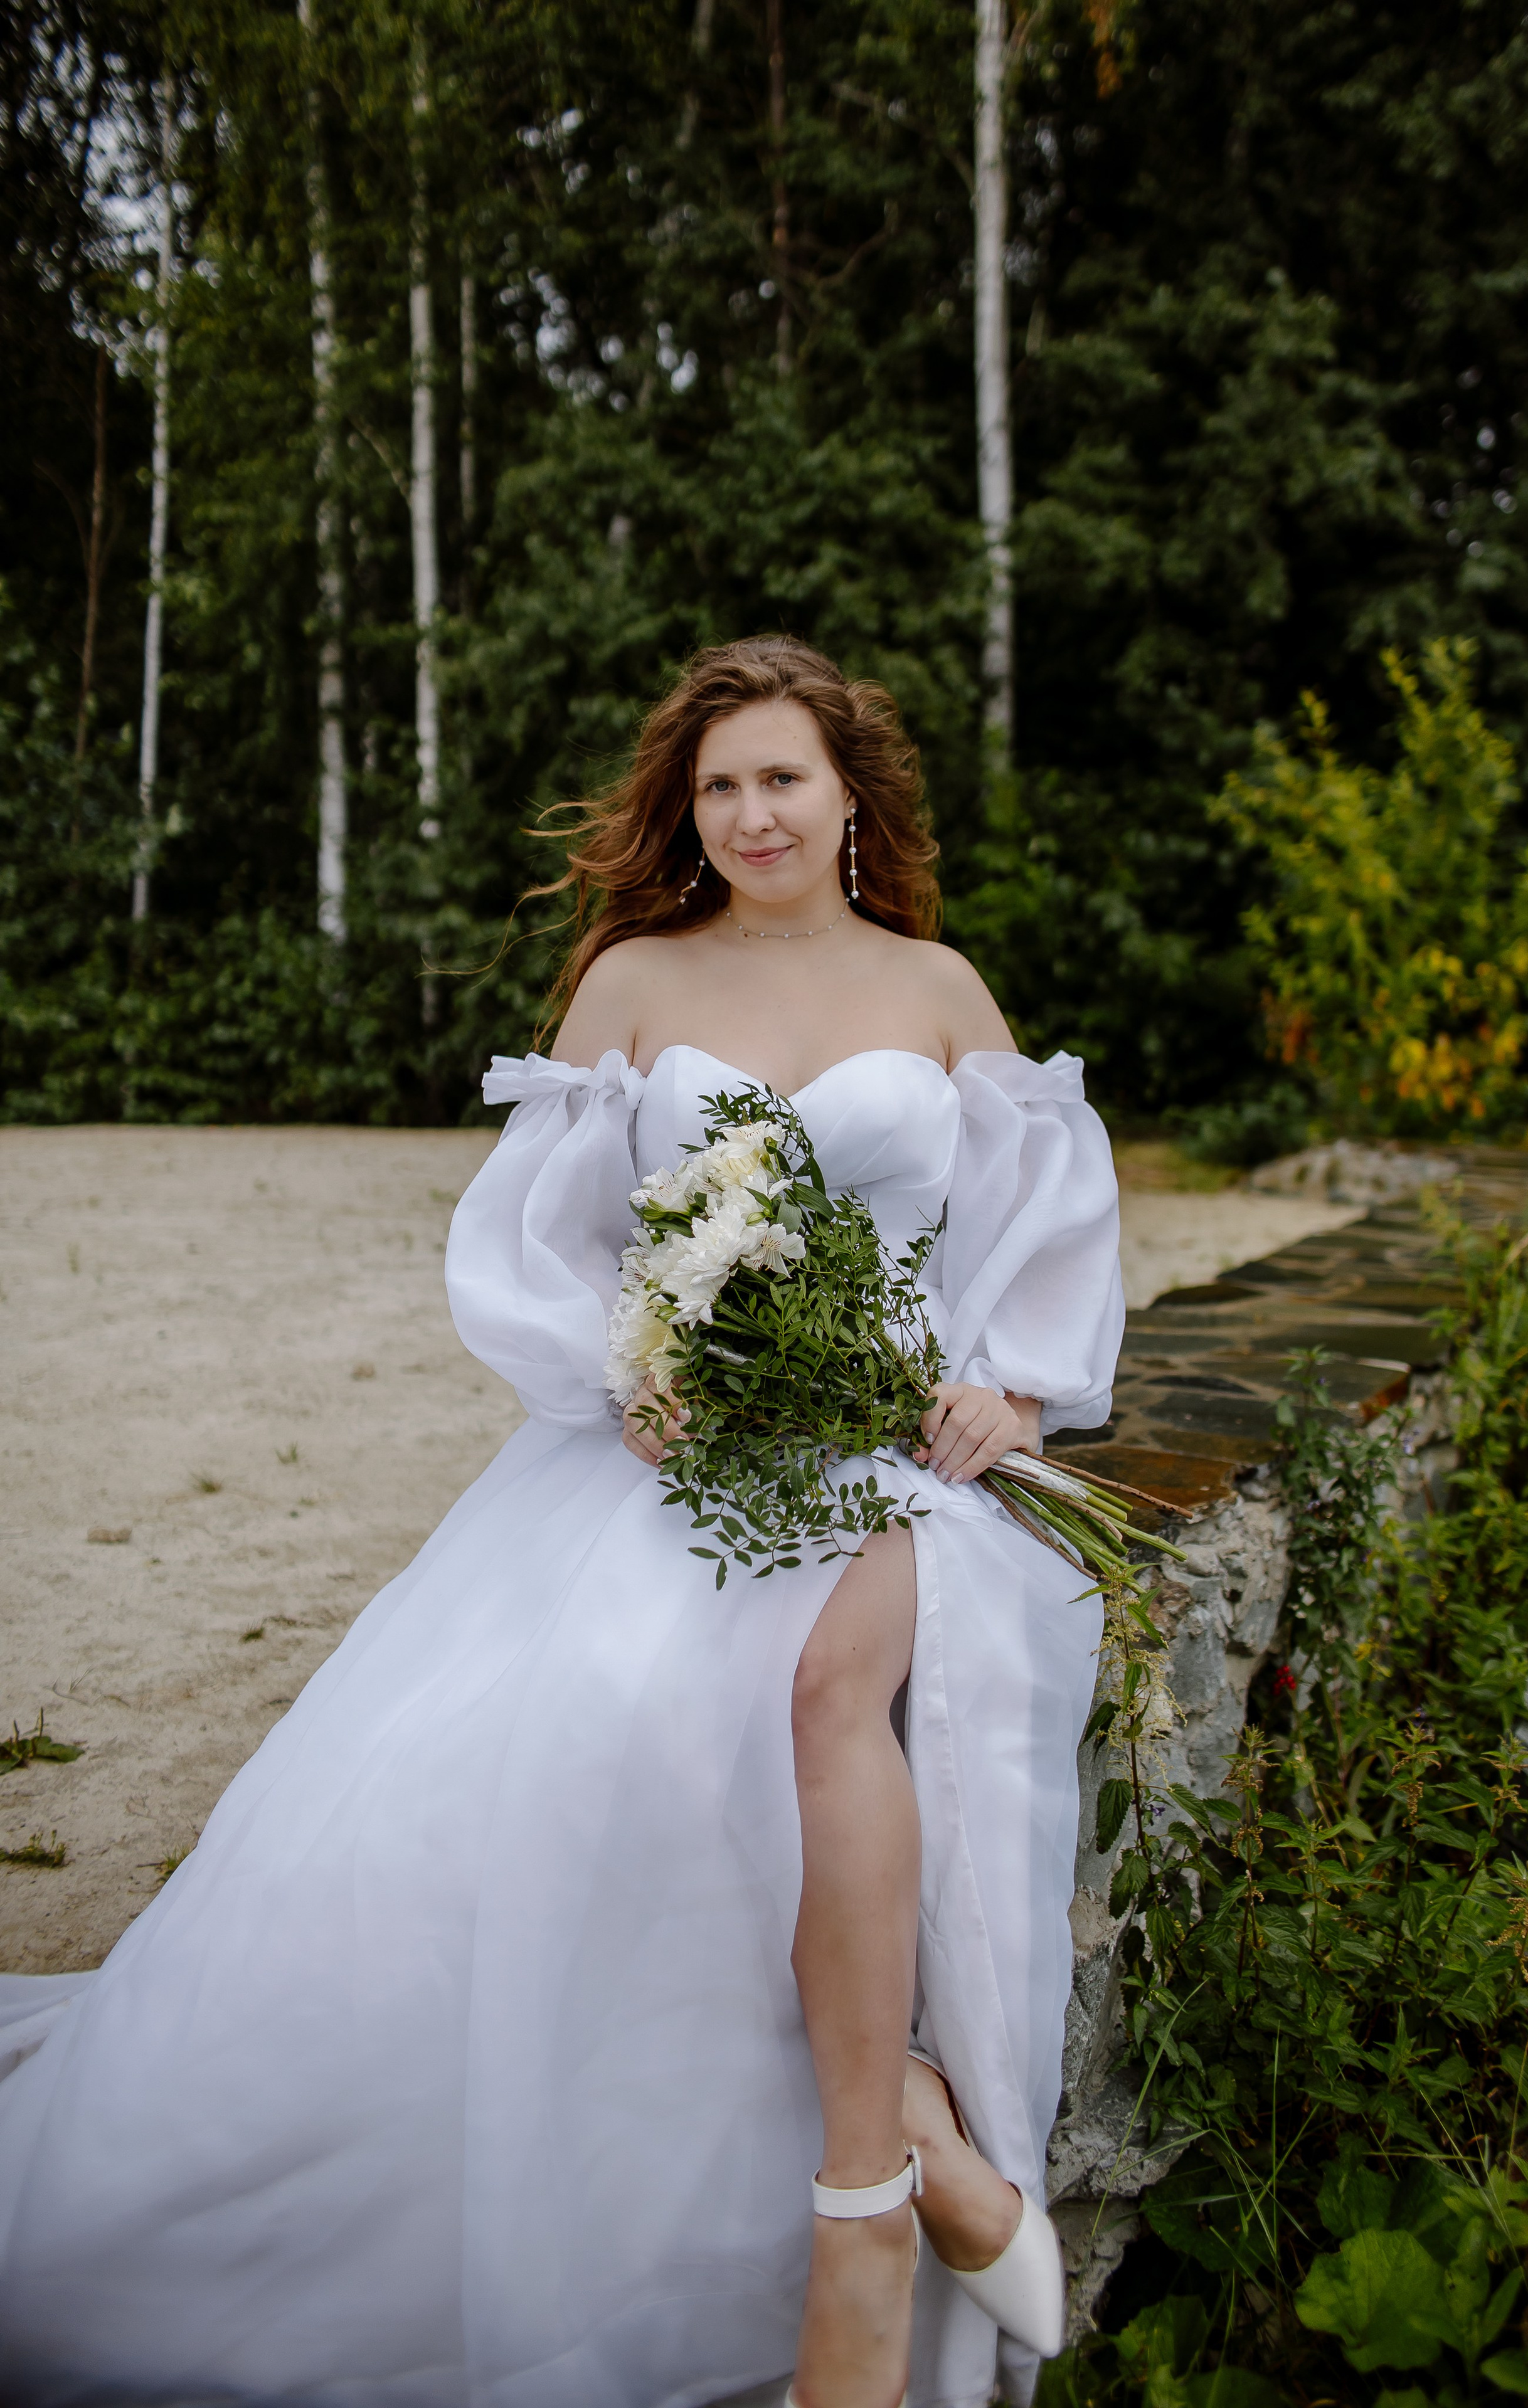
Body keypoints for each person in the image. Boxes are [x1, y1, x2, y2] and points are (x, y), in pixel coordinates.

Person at [0, 636, 1123, 2408]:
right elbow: (552, 1243)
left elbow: (1038, 1222)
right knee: (611, 1727)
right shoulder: (633, 980)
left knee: (832, 1686)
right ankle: (918, 2141)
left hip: (894, 1463)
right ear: (692, 811)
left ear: (850, 798)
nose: (753, 812)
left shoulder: (938, 986)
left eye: (784, 778)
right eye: (721, 784)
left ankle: (859, 2220)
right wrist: (632, 1366)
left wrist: (1017, 1390)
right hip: (673, 1464)